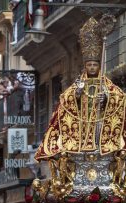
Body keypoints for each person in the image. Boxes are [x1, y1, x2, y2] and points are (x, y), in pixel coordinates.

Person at [34, 16, 126, 161]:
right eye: (89, 65)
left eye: (95, 65)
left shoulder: (106, 84)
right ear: (85, 66)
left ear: (98, 65)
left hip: (99, 123)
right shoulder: (78, 83)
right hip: (82, 124)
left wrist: (107, 98)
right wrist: (76, 94)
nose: (92, 67)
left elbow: (120, 97)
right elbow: (65, 100)